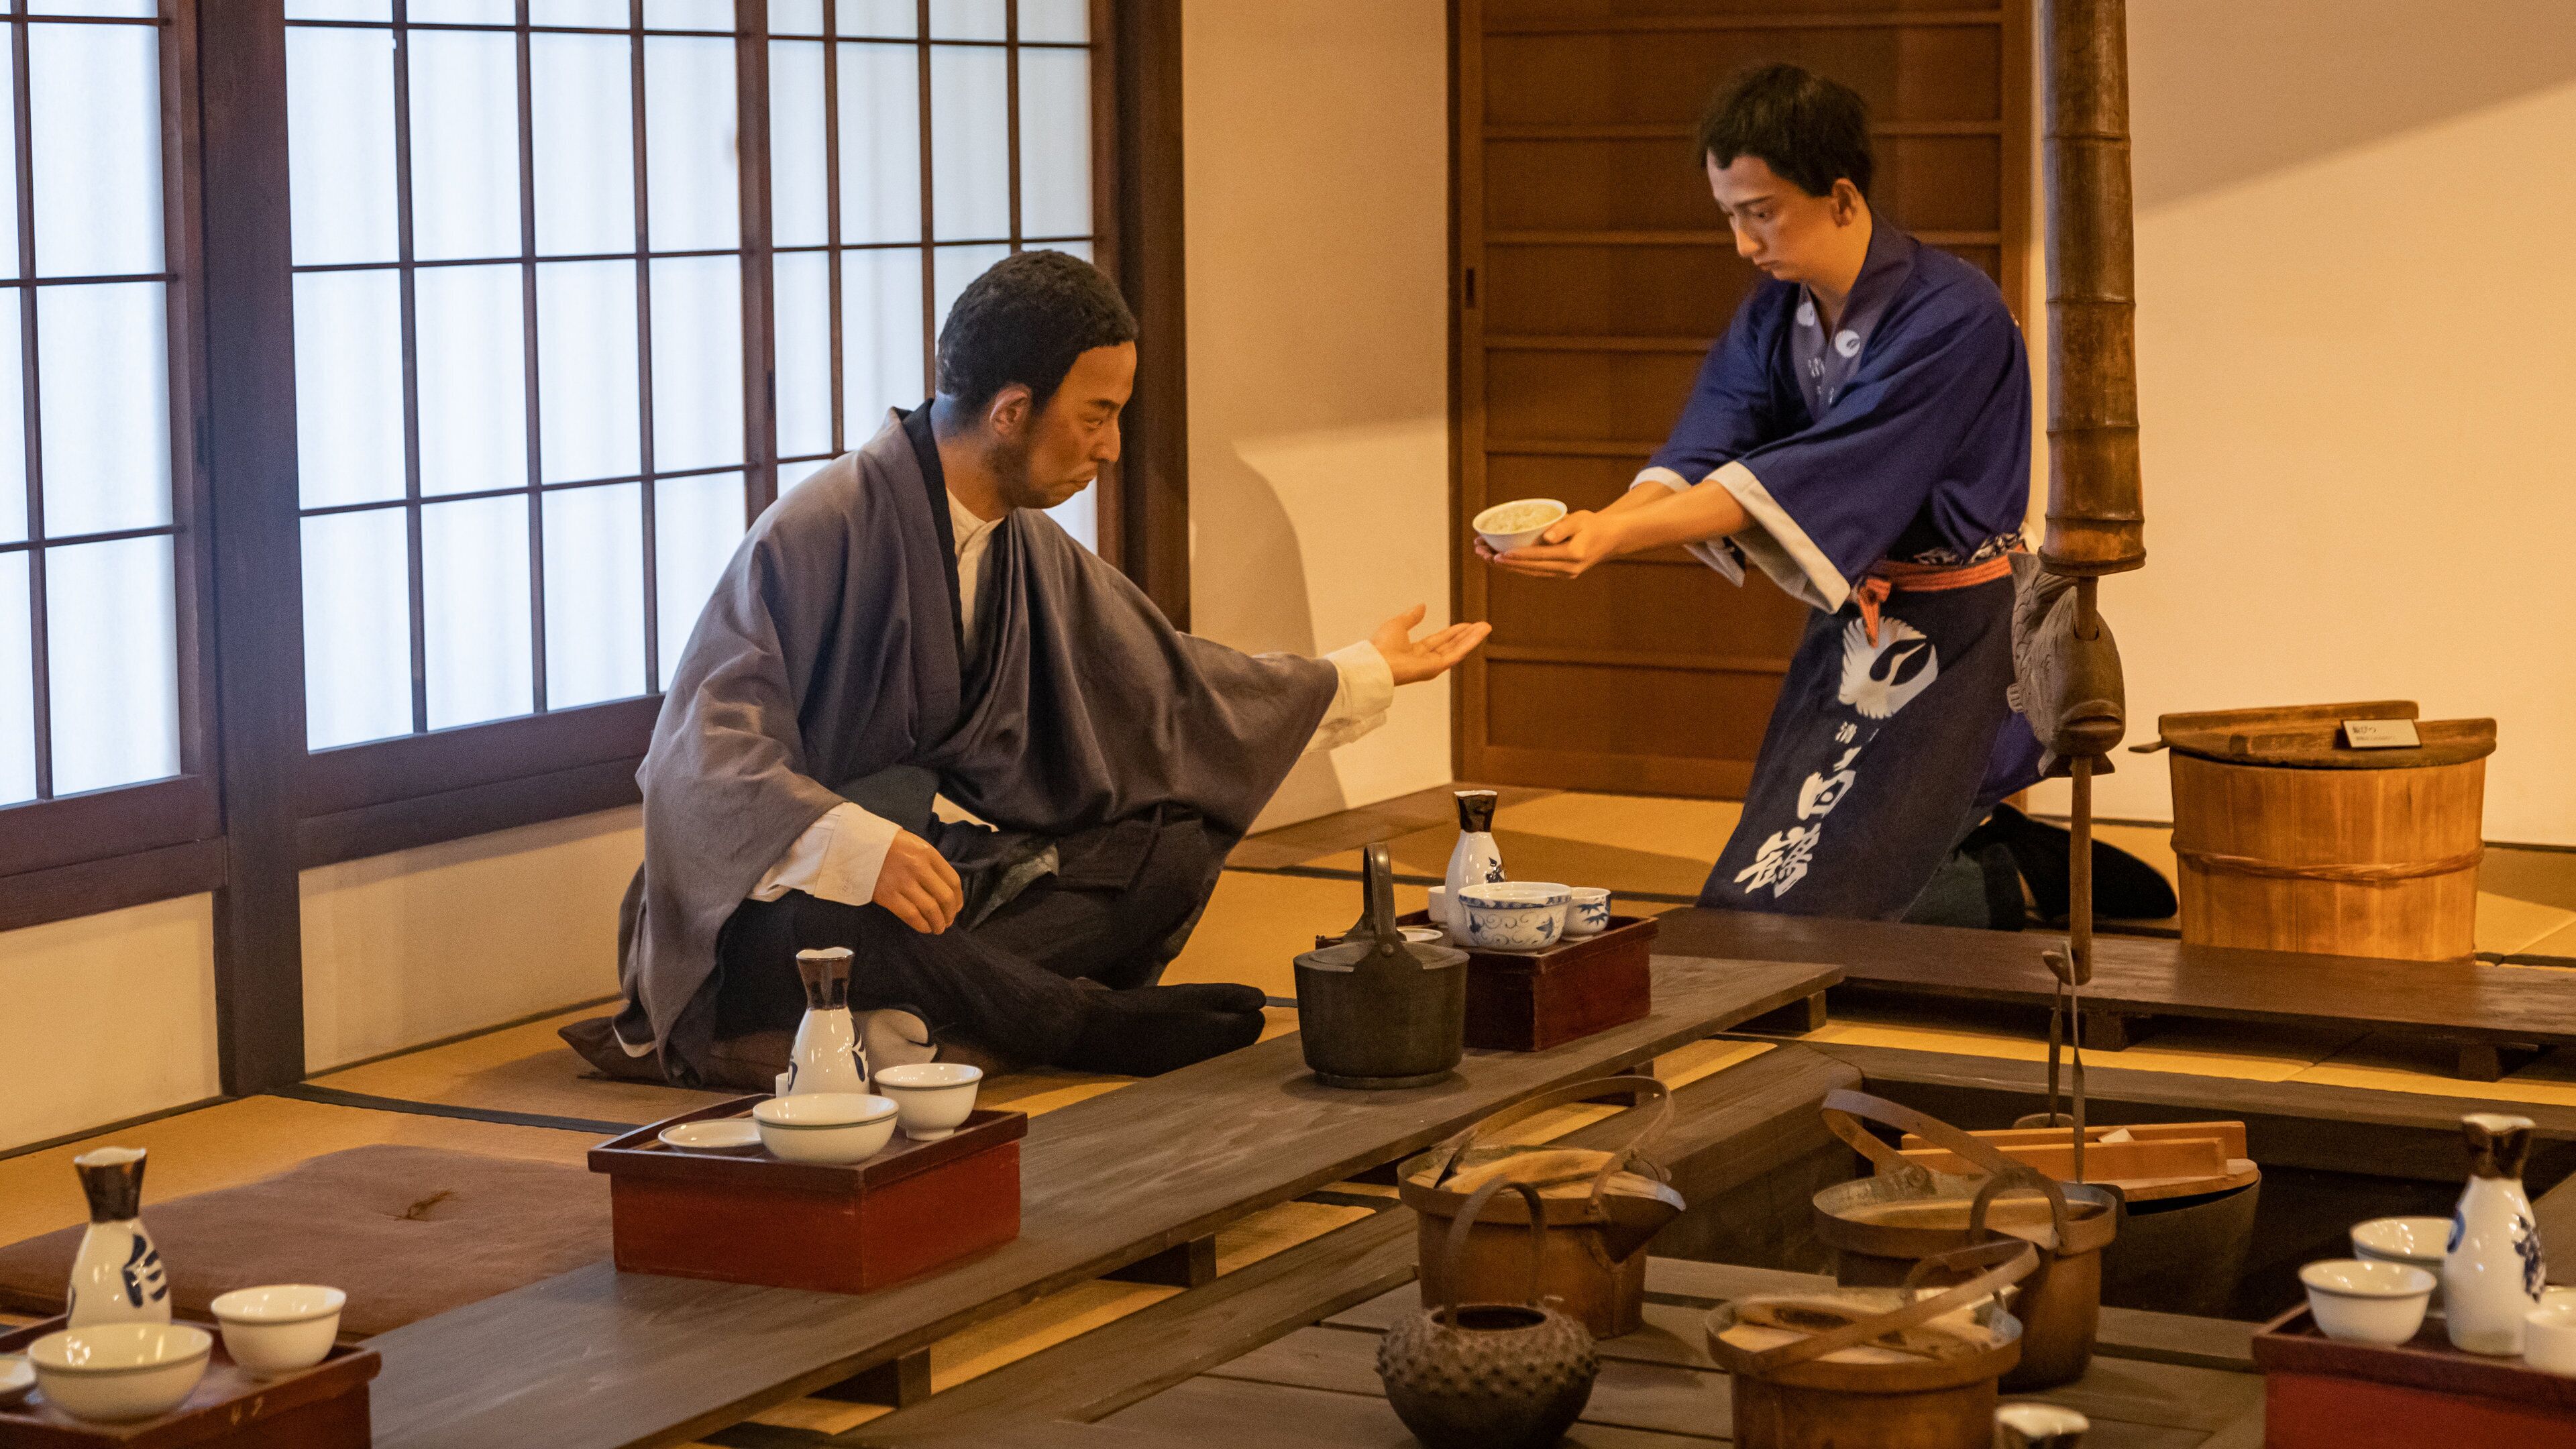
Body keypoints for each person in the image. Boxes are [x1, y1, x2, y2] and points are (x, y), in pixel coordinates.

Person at [571, 250, 1489, 1089]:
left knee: (1166, 847)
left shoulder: (1022, 547)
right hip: (770, 911)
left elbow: (1169, 686)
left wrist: (1357, 673)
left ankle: (927, 1028)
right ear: (1012, 410)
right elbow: (698, 764)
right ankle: (1070, 1020)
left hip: (918, 880)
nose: (1112, 447)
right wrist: (853, 847)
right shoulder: (819, 528)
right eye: (1097, 416)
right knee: (861, 927)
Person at [1483, 63, 2042, 922]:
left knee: (1846, 874)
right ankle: (1973, 873)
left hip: (1961, 628)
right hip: (1861, 616)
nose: (1745, 244)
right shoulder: (1777, 311)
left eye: (1761, 213)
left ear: (1843, 198)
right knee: (1773, 860)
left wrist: (1615, 539)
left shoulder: (1952, 314)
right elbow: (1711, 444)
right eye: (1732, 218)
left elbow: (1807, 475)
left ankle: (1986, 879)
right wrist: (1598, 526)